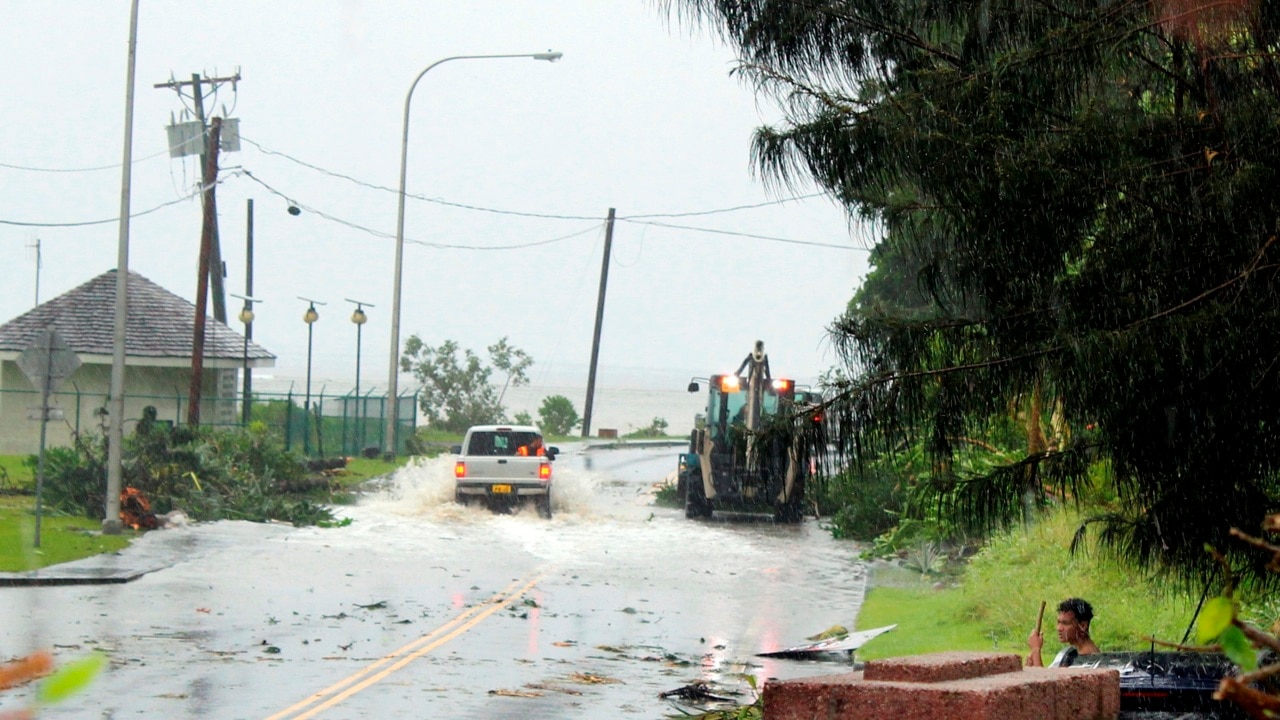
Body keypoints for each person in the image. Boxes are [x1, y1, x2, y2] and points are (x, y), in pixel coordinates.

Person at [1027, 597, 1099, 667]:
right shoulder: (1070, 653)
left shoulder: (1086, 659)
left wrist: (1036, 650)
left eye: (1065, 623)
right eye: (1058, 622)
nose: (1059, 628)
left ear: (1083, 626)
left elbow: (1044, 679)